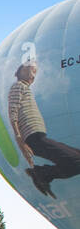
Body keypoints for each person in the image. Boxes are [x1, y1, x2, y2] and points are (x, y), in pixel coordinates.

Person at [10, 59, 80, 199]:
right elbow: (13, 111)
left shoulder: (25, 88)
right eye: (32, 71)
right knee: (76, 162)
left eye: (35, 72)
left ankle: (43, 173)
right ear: (22, 71)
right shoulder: (18, 86)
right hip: (33, 138)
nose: (34, 75)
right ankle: (42, 173)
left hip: (38, 137)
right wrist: (19, 138)